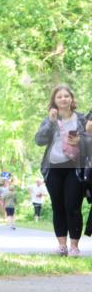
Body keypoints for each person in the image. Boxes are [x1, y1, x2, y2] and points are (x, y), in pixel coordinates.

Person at [34, 84, 88, 256]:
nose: (63, 99)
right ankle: (62, 245)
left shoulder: (82, 119)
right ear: (54, 101)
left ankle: (74, 247)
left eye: (66, 96)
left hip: (75, 168)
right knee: (58, 207)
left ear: (71, 99)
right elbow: (39, 140)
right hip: (53, 169)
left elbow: (90, 138)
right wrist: (51, 122)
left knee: (73, 206)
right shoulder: (49, 119)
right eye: (59, 96)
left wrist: (80, 140)